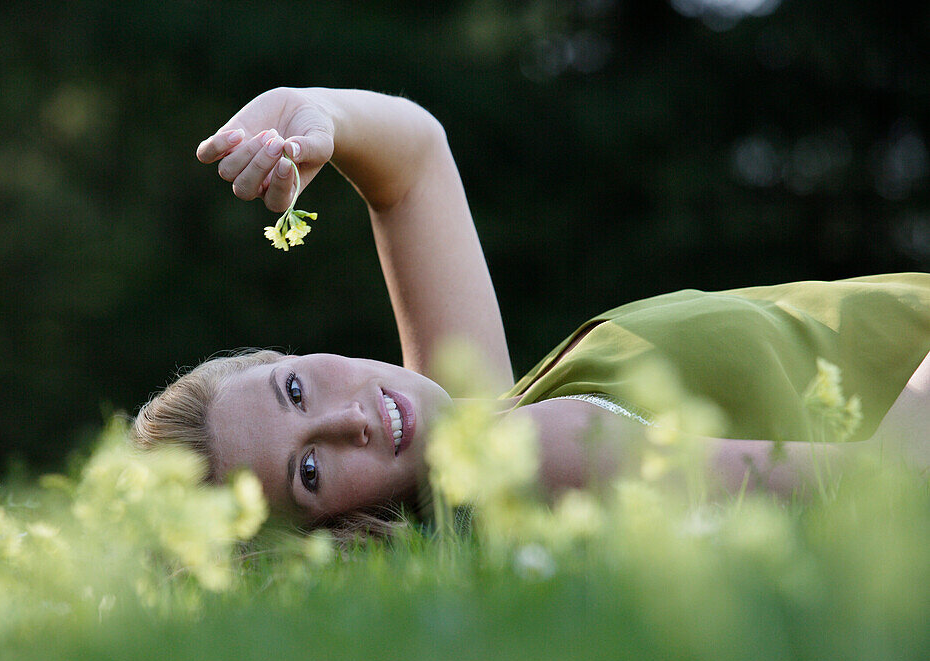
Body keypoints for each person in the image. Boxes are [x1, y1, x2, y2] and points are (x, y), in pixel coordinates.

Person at [132, 87, 930, 528]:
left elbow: (412, 164)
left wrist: (311, 114)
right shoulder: (531, 459)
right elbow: (893, 482)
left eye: (297, 389)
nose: (352, 421)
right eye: (310, 470)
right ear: (338, 534)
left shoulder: (488, 432)